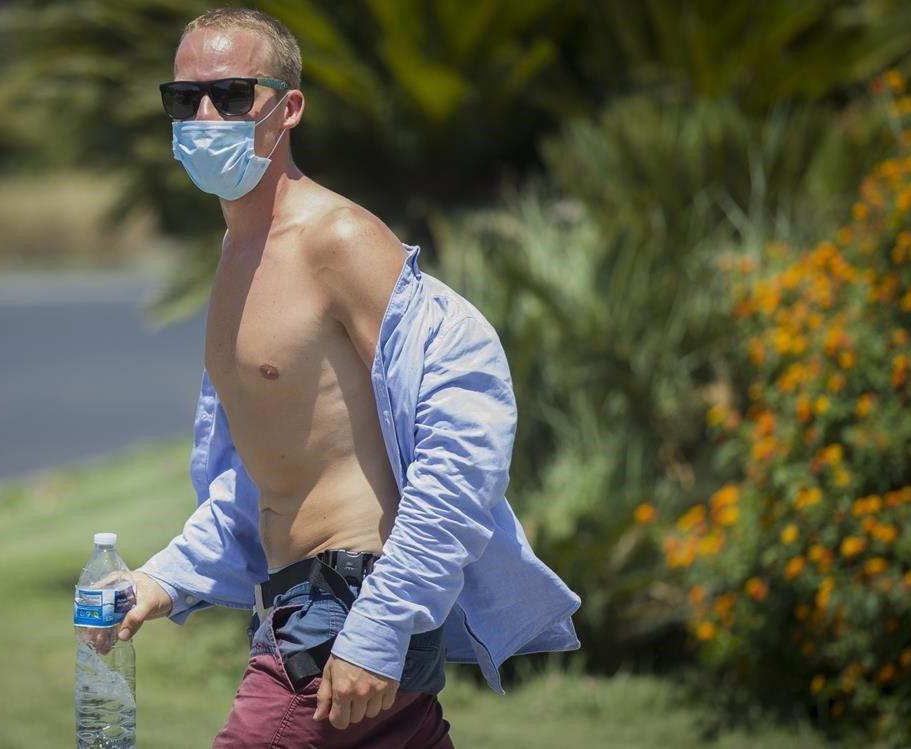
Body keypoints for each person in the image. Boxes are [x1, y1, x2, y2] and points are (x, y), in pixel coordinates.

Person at [112, 8, 582, 747]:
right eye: (185, 99)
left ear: (288, 107)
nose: (206, 116)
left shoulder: (338, 240)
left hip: (345, 612)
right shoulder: (238, 258)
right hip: (303, 610)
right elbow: (269, 473)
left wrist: (382, 625)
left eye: (233, 96)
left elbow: (465, 432)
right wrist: (162, 577)